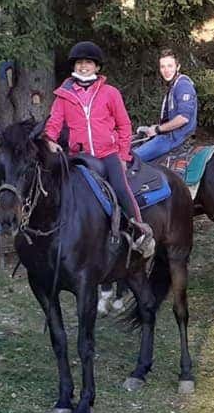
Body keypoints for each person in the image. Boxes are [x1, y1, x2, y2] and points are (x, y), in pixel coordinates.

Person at [44, 41, 155, 257]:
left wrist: (122, 154)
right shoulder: (63, 96)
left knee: (120, 188)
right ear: (73, 66)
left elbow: (124, 125)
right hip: (79, 156)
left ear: (97, 67)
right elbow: (54, 124)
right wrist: (49, 140)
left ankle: (139, 231)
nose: (83, 66)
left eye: (88, 62)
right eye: (79, 63)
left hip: (107, 154)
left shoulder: (110, 93)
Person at [134, 49, 198, 162]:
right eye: (162, 67)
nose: (166, 70)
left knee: (130, 159)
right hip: (171, 135)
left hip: (175, 138)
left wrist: (158, 129)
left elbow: (183, 118)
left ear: (178, 67)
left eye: (170, 66)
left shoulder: (183, 85)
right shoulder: (174, 85)